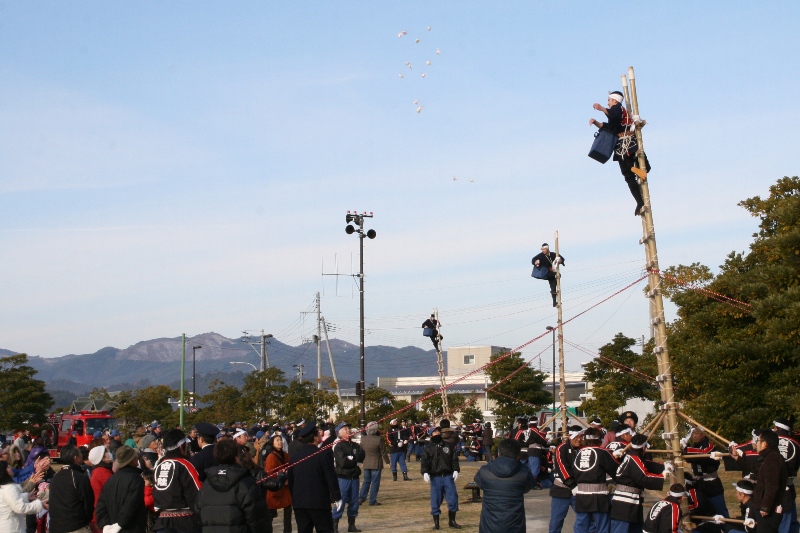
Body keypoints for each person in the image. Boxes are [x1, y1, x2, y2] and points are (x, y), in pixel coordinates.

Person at [589, 90, 651, 216]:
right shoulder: (617, 113)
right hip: (625, 143)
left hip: (626, 143)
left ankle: (640, 200)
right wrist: (596, 122)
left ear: (615, 100)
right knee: (634, 170)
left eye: (609, 101)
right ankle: (639, 195)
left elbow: (614, 115)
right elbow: (608, 127)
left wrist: (601, 108)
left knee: (628, 175)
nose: (608, 103)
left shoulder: (618, 109)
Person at [194, 438, 270, 533]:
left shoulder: (206, 484)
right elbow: (257, 519)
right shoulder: (246, 483)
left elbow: (198, 514)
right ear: (236, 457)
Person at [288, 422, 341, 533]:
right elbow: (330, 476)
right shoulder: (322, 454)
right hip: (319, 502)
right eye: (318, 434)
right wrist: (337, 496)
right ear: (315, 437)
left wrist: (295, 498)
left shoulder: (295, 456)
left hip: (300, 503)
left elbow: (291, 480)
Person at [474, 438, 536, 533]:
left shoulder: (484, 471)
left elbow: (479, 482)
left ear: (499, 453)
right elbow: (527, 487)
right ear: (518, 455)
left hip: (489, 525)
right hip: (515, 525)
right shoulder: (524, 473)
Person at [610, 434, 667, 533]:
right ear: (644, 447)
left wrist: (664, 466)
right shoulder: (634, 458)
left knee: (635, 529)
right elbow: (643, 477)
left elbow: (646, 464)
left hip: (631, 501)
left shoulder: (632, 456)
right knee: (621, 530)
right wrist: (663, 476)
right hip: (625, 501)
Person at [152, 429, 203, 533]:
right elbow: (196, 494)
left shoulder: (159, 465)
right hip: (184, 522)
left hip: (162, 521)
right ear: (181, 447)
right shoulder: (184, 464)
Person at [572, 427, 619, 533]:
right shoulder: (602, 452)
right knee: (602, 526)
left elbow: (574, 471)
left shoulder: (578, 453)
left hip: (581, 494)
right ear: (599, 439)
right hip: (599, 494)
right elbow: (616, 470)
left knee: (581, 525)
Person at [95, 446, 146, 533]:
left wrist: (105, 525)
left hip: (113, 527)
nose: (137, 458)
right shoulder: (136, 479)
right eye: (135, 456)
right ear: (132, 460)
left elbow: (101, 505)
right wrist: (120, 524)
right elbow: (131, 504)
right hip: (131, 528)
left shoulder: (111, 479)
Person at [682, 427, 729, 518]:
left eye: (697, 433)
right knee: (702, 512)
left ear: (703, 434)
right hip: (699, 485)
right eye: (693, 434)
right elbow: (688, 456)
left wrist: (686, 448)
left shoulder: (709, 446)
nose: (694, 436)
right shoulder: (694, 447)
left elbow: (702, 454)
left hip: (712, 485)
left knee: (721, 513)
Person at [421, 426, 461, 530]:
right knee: (436, 501)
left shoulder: (448, 445)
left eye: (438, 431)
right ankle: (436, 523)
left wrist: (456, 469)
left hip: (448, 476)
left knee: (453, 499)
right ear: (431, 434)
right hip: (435, 477)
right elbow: (424, 461)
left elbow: (454, 459)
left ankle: (452, 521)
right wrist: (425, 472)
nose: (437, 433)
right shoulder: (428, 448)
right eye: (434, 432)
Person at [50, 444, 95, 533]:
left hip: (56, 526)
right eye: (80, 453)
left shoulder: (56, 477)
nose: (82, 455)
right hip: (76, 526)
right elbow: (88, 502)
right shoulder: (79, 477)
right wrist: (85, 520)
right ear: (76, 458)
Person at [751, 429, 788, 533]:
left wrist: (766, 507)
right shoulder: (768, 458)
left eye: (758, 440)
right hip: (765, 507)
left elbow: (772, 485)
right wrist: (737, 458)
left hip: (769, 511)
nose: (756, 443)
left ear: (765, 444)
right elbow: (755, 468)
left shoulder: (773, 459)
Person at [332, 422, 365, 533]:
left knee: (354, 501)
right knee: (341, 501)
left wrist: (352, 459)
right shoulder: (339, 446)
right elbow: (342, 463)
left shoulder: (355, 445)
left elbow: (361, 456)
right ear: (340, 432)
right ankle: (335, 525)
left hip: (354, 477)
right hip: (343, 477)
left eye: (349, 428)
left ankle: (351, 525)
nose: (348, 430)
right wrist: (353, 461)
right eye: (345, 429)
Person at [549, 426, 583, 533]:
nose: (579, 439)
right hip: (561, 490)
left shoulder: (584, 448)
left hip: (580, 490)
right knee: (556, 521)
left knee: (584, 519)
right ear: (569, 436)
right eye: (576, 437)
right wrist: (573, 486)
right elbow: (562, 468)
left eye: (581, 436)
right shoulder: (561, 448)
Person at [0, 460, 46, 533]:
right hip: (11, 528)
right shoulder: (9, 488)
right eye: (8, 467)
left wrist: (26, 497)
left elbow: (8, 501)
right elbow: (20, 508)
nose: (10, 468)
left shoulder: (3, 487)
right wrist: (39, 505)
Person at [771, 418, 799, 533]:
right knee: (792, 520)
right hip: (789, 485)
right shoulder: (796, 442)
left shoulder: (770, 442)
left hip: (774, 487)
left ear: (777, 428)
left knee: (782, 521)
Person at [264, 432, 293, 533]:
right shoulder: (271, 456)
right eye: (277, 440)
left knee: (288, 511)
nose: (280, 442)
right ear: (272, 443)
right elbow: (269, 473)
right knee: (271, 514)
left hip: (285, 489)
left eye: (280, 440)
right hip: (275, 488)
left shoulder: (286, 455)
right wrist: (280, 478)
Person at [358, 421, 389, 507]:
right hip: (376, 463)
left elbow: (361, 450)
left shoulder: (363, 439)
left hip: (366, 462)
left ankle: (361, 497)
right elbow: (383, 452)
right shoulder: (379, 439)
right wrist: (388, 462)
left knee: (366, 481)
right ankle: (372, 500)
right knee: (375, 482)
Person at [88, 445, 114, 531]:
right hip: (102, 516)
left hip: (97, 515)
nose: (109, 453)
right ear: (101, 457)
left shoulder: (97, 470)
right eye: (106, 452)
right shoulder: (103, 472)